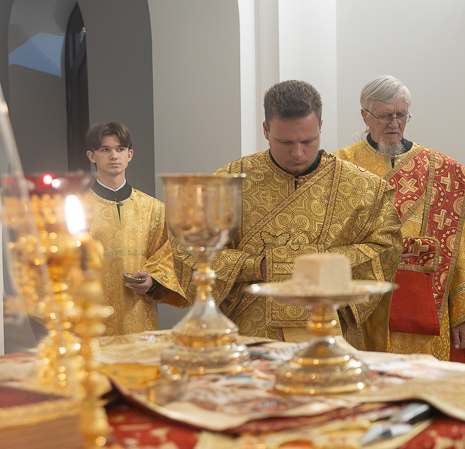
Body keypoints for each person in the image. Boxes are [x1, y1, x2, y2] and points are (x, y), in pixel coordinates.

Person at [172, 80, 402, 345]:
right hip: (246, 335)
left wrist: (311, 265)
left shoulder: (365, 188)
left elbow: (385, 250)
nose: (298, 153)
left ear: (321, 126)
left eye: (308, 140)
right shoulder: (226, 183)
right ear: (266, 130)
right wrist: (257, 266)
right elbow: (190, 251)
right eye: (285, 142)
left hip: (330, 332)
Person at [333, 76, 465, 361]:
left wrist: (461, 314)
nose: (394, 124)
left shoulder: (441, 171)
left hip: (424, 302)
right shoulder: (340, 167)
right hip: (361, 305)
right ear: (365, 116)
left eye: (401, 115)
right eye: (385, 116)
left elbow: (462, 244)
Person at [84, 122, 184, 335]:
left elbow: (172, 253)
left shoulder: (153, 208)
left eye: (120, 149)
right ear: (92, 156)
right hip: (91, 318)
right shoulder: (77, 208)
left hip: (139, 317)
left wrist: (153, 280)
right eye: (105, 149)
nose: (114, 156)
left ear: (129, 155)